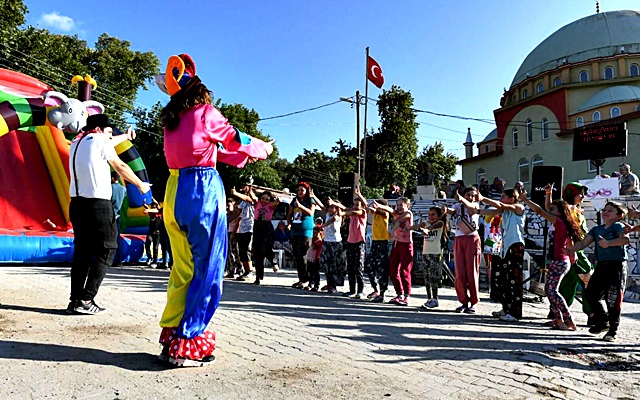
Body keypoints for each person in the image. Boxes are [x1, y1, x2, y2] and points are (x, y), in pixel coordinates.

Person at [156, 53, 272, 366]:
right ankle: (189, 341)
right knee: (207, 271)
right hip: (201, 194)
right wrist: (263, 148)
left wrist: (245, 157)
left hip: (173, 192)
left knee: (183, 269)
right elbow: (235, 139)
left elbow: (214, 150)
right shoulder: (205, 113)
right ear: (201, 92)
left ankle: (172, 335)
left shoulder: (172, 122)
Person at [67, 114, 150, 315]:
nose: (112, 135)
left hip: (77, 204)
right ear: (99, 129)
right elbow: (120, 166)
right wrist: (141, 185)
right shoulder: (100, 140)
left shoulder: (76, 143)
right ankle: (87, 299)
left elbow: (107, 140)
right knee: (108, 248)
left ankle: (76, 300)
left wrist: (126, 137)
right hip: (98, 204)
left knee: (82, 253)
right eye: (110, 130)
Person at [567, 202, 629, 341]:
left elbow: (625, 240)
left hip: (617, 266)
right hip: (601, 265)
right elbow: (584, 243)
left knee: (613, 298)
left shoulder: (617, 226)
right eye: (604, 209)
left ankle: (612, 330)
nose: (606, 212)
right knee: (590, 294)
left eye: (610, 210)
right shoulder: (596, 229)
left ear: (619, 215)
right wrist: (570, 250)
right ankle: (602, 321)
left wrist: (608, 243)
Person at [519, 190, 580, 331]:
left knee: (552, 291)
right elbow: (546, 208)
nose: (549, 210)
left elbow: (540, 210)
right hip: (558, 261)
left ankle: (568, 319)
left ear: (559, 212)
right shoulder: (560, 222)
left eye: (552, 209)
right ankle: (558, 319)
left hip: (559, 261)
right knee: (550, 290)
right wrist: (548, 193)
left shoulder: (558, 222)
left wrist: (525, 200)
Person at [474, 189, 526, 322]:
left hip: (515, 246)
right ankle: (506, 308)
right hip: (505, 248)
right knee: (505, 280)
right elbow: (491, 212)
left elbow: (501, 206)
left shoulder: (518, 207)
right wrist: (476, 211)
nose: (500, 199)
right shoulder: (504, 212)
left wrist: (483, 198)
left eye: (503, 196)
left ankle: (515, 313)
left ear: (512, 199)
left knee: (515, 280)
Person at [546, 183, 594, 324]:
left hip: (573, 251)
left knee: (582, 281)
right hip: (571, 252)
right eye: (580, 194)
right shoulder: (566, 210)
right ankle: (562, 315)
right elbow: (569, 234)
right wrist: (573, 252)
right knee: (582, 280)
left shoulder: (577, 209)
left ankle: (590, 314)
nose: (583, 197)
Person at [443, 186, 481, 313]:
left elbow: (471, 207)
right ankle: (463, 301)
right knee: (460, 273)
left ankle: (474, 302)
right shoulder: (458, 205)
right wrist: (446, 210)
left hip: (472, 239)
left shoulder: (475, 205)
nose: (470, 197)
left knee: (472, 271)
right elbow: (452, 211)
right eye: (468, 194)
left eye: (473, 195)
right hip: (459, 239)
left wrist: (462, 200)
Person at [233, 188, 280, 285]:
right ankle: (258, 277)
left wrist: (276, 198)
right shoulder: (257, 203)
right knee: (257, 253)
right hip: (257, 227)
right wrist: (249, 189)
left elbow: (277, 202)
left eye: (267, 199)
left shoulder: (270, 206)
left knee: (265, 248)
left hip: (267, 228)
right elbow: (250, 196)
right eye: (263, 198)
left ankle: (273, 262)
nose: (264, 201)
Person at [412, 206, 448, 309]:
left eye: (433, 214)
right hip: (425, 253)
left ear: (439, 215)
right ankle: (429, 298)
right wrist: (408, 228)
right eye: (429, 214)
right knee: (426, 277)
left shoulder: (440, 224)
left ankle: (435, 298)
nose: (430, 217)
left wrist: (427, 230)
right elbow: (417, 225)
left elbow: (433, 227)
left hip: (435, 253)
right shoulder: (426, 223)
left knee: (433, 276)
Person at [287, 182, 317, 289]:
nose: (300, 192)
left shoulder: (310, 200)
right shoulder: (294, 201)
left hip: (306, 232)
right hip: (295, 231)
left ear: (306, 191)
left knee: (305, 256)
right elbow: (289, 214)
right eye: (298, 190)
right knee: (298, 256)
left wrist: (300, 206)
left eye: (302, 190)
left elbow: (310, 213)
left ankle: (309, 281)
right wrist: (289, 223)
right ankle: (302, 279)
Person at [365, 198, 393, 303]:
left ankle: (382, 293)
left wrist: (379, 207)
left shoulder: (385, 214)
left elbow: (387, 209)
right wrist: (359, 195)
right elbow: (366, 206)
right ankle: (375, 289)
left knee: (382, 269)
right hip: (375, 242)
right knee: (370, 266)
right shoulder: (375, 214)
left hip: (382, 243)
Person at [388, 197, 414, 306]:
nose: (399, 207)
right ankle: (399, 293)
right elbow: (388, 210)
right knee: (393, 269)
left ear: (407, 206)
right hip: (396, 243)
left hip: (406, 244)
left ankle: (407, 296)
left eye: (401, 205)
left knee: (405, 271)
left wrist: (391, 231)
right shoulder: (396, 213)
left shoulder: (408, 213)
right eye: (397, 205)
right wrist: (380, 206)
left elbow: (399, 222)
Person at [317, 197, 346, 294]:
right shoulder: (327, 214)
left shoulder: (338, 215)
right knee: (325, 263)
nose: (330, 209)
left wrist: (323, 226)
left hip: (335, 243)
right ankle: (329, 283)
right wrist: (314, 197)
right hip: (327, 242)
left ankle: (333, 285)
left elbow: (332, 220)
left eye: (333, 207)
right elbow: (321, 205)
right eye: (330, 207)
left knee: (334, 265)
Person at [342, 189, 367, 298]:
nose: (356, 206)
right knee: (350, 267)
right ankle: (352, 290)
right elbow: (345, 209)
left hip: (359, 242)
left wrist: (359, 195)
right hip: (350, 242)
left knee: (359, 267)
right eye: (355, 204)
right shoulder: (351, 213)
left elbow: (358, 208)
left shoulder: (362, 212)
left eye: (358, 204)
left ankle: (360, 291)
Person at [231, 185, 256, 281]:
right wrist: (226, 220)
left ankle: (250, 271)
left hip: (250, 228)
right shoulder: (243, 202)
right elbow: (237, 213)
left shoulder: (254, 201)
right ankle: (246, 271)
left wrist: (236, 193)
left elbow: (248, 198)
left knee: (247, 250)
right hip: (242, 229)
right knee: (241, 251)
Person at [110, 171, 127, 268]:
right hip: (118, 215)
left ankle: (110, 260)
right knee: (118, 238)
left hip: (110, 215)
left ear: (112, 178)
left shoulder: (110, 188)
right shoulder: (123, 189)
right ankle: (119, 260)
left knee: (109, 238)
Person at [225, 198, 242, 278]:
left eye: (229, 206)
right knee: (229, 253)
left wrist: (233, 233)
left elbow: (237, 224)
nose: (228, 207)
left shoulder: (237, 215)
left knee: (236, 252)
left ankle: (239, 269)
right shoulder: (227, 215)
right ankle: (231, 269)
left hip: (235, 233)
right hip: (228, 233)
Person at [305, 226, 324, 291]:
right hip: (310, 258)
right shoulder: (313, 240)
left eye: (316, 233)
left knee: (316, 272)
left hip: (316, 258)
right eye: (313, 233)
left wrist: (311, 242)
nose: (314, 234)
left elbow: (314, 247)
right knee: (310, 272)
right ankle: (310, 284)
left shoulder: (319, 241)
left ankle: (316, 285)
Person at [144, 199, 161, 267]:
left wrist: (156, 202)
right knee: (148, 242)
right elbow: (148, 209)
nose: (153, 207)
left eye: (154, 206)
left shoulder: (159, 212)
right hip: (151, 231)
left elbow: (157, 209)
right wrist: (145, 205)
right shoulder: (151, 213)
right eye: (152, 206)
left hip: (157, 232)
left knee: (155, 247)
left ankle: (155, 261)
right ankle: (149, 257)